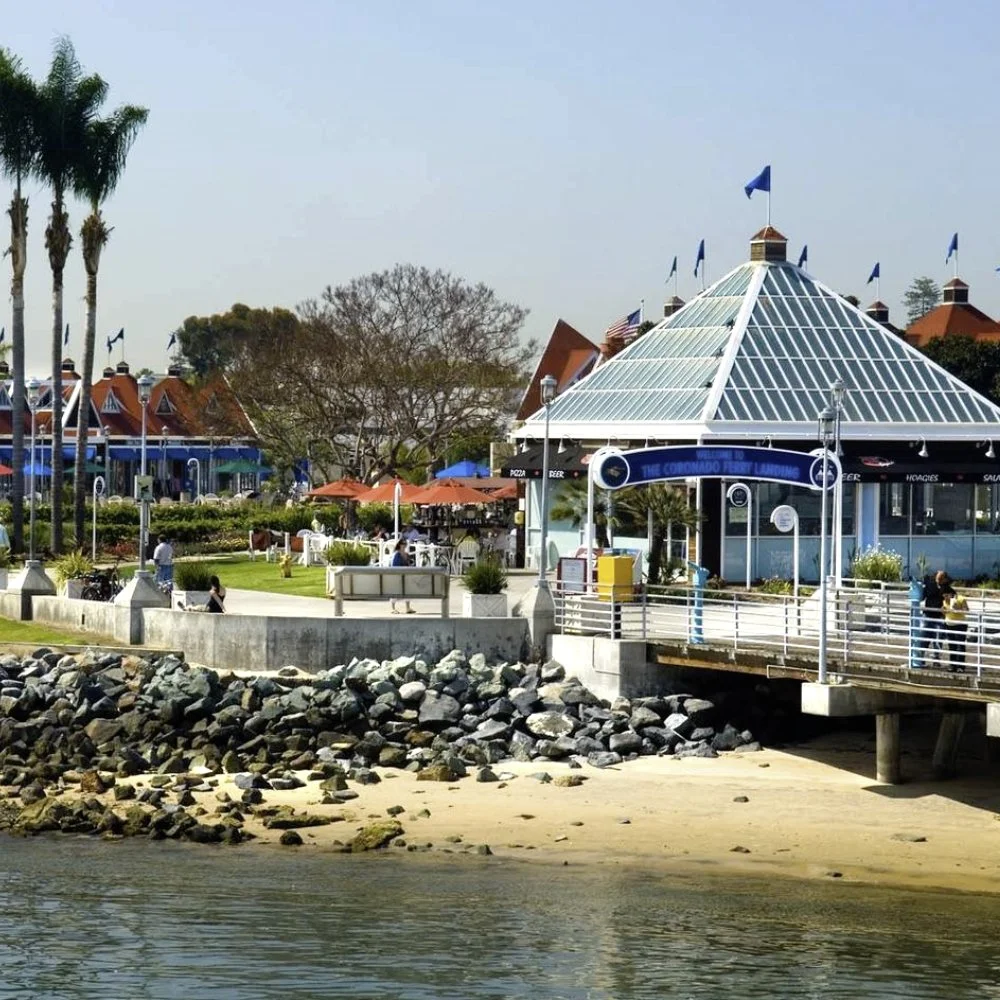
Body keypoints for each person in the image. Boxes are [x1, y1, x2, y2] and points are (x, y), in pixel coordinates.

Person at [941, 575, 968, 673]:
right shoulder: (944, 600)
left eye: (946, 595)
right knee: (951, 645)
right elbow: (945, 612)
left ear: (950, 594)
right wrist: (943, 611)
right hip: (949, 624)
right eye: (943, 596)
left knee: (960, 646)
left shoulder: (960, 599)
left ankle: (961, 666)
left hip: (960, 624)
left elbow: (966, 610)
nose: (945, 597)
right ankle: (952, 665)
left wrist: (958, 608)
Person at [921, 571, 945, 668]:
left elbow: (951, 598)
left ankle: (936, 659)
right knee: (924, 638)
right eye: (938, 577)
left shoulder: (946, 587)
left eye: (941, 578)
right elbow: (922, 597)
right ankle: (920, 659)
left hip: (939, 616)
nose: (939, 580)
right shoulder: (929, 585)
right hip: (928, 615)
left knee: (938, 639)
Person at [390, 539, 415, 614]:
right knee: (395, 591)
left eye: (405, 544)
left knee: (408, 591)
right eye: (403, 544)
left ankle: (408, 608)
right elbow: (394, 566)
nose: (404, 545)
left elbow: (409, 565)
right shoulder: (396, 554)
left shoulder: (406, 554)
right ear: (399, 545)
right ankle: (393, 608)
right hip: (397, 576)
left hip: (406, 575)